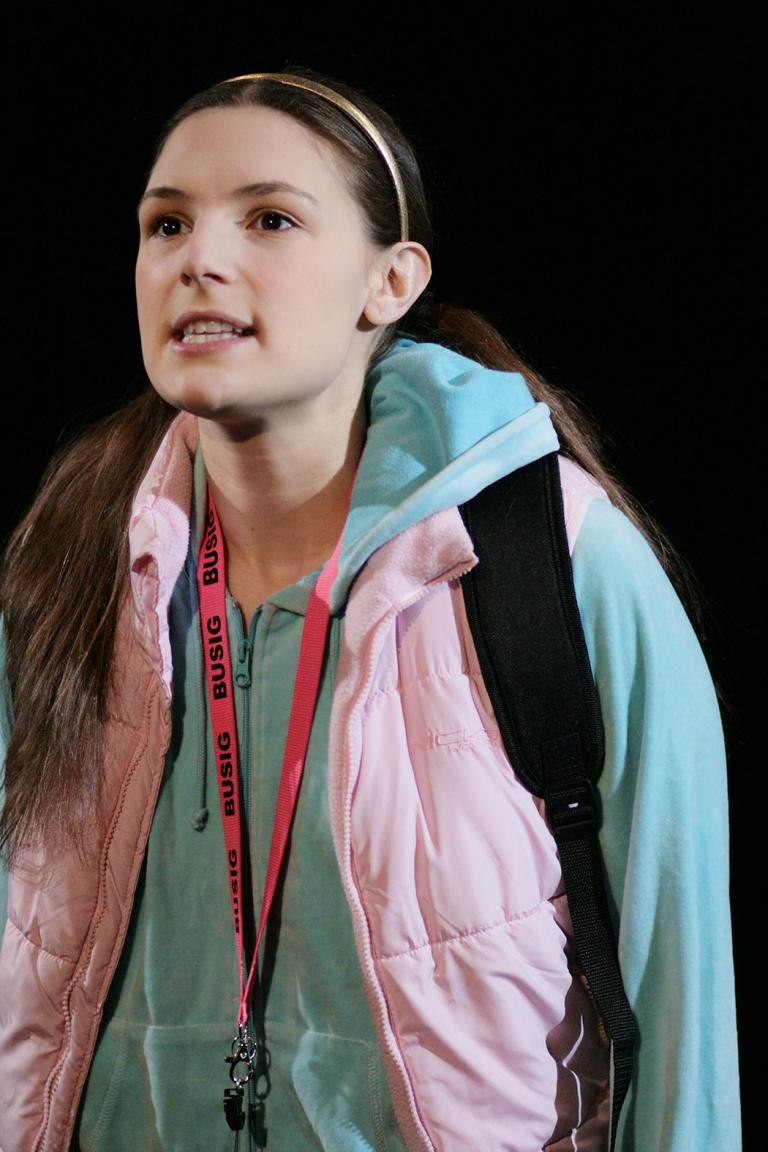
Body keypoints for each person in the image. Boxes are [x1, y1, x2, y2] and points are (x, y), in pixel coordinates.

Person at [0, 66, 740, 1152]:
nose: (198, 259)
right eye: (167, 224)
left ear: (390, 282)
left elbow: (681, 1006)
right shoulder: (70, 559)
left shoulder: (554, 563)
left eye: (270, 218)